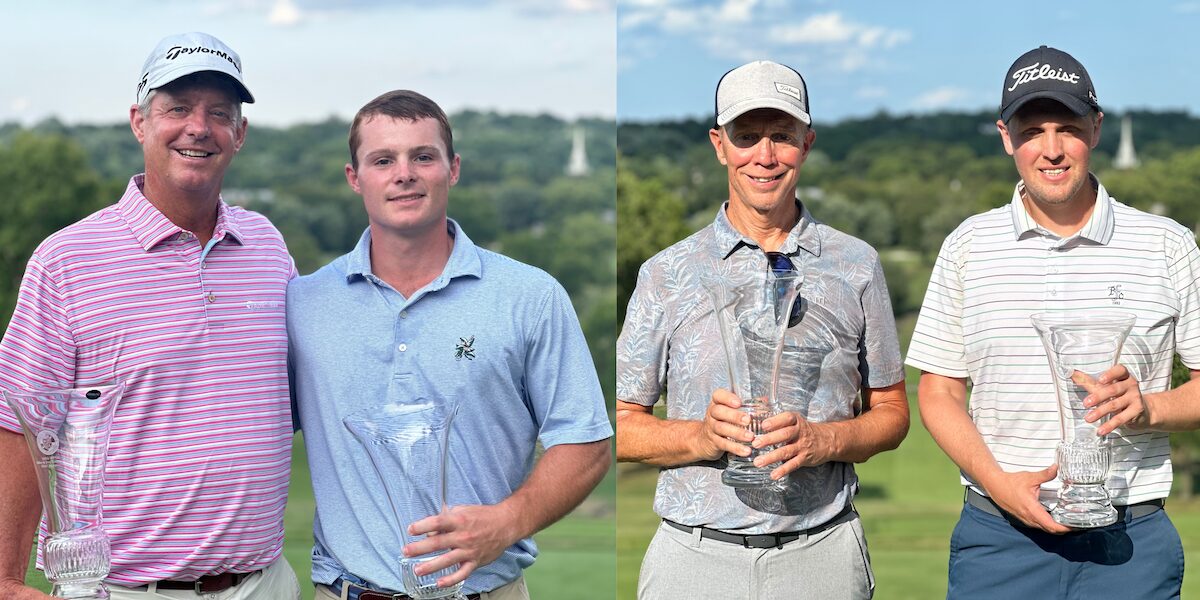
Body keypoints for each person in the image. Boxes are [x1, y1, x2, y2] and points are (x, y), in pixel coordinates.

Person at [0, 32, 300, 600]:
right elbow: (18, 423)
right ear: (140, 121)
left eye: (219, 113)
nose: (198, 127)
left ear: (240, 134)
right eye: (178, 108)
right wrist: (5, 578)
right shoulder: (67, 260)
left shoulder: (266, 245)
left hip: (264, 584)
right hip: (122, 590)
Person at [287, 89, 613, 600]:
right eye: (382, 160)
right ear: (355, 178)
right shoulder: (302, 304)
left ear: (453, 168)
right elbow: (247, 433)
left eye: (423, 156)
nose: (404, 173)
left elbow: (586, 443)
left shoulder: (531, 296)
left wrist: (506, 522)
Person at [906, 45, 1200, 599]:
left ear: (1095, 128)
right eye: (1031, 130)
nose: (1051, 149)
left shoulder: (1167, 244)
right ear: (1004, 137)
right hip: (999, 537)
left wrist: (1150, 406)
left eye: (1066, 127)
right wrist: (1000, 486)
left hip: (1130, 539)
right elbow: (939, 391)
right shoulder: (970, 245)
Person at [615, 60, 909, 600]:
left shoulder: (857, 264)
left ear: (808, 141)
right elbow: (619, 424)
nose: (765, 156)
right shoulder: (667, 272)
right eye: (746, 136)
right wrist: (698, 437)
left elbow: (891, 414)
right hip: (694, 557)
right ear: (719, 144)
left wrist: (824, 440)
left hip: (821, 555)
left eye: (783, 136)